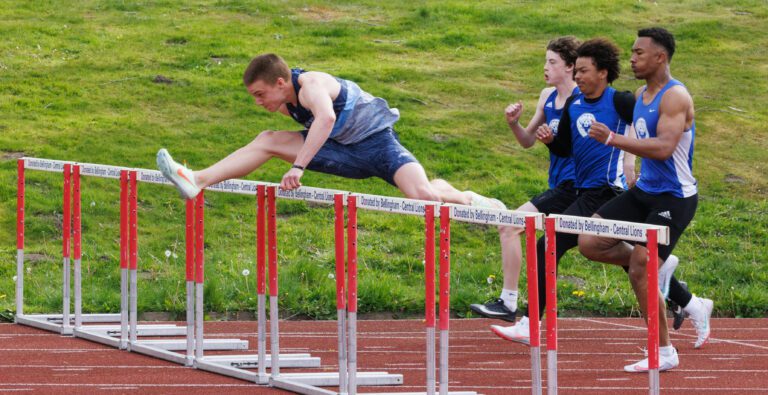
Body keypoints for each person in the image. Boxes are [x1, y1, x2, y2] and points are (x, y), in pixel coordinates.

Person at [156, 53, 503, 210]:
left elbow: (325, 120)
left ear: (281, 82)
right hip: (340, 150)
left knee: (426, 198)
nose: (258, 102)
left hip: (377, 146)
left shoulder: (310, 86)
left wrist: (298, 166)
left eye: (261, 95)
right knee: (267, 139)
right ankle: (197, 180)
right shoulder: (287, 96)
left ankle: (467, 198)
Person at [489, 38, 638, 367]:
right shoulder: (576, 105)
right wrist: (550, 141)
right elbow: (565, 149)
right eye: (578, 70)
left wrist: (628, 157)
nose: (580, 77)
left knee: (548, 245)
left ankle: (530, 323)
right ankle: (671, 283)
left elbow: (644, 126)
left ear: (602, 72)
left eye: (584, 71)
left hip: (606, 190)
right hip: (585, 192)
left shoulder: (622, 100)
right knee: (604, 250)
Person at [578, 27, 713, 372]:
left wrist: (612, 140)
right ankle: (662, 268)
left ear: (660, 57)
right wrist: (631, 167)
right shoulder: (641, 94)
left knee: (639, 266)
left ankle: (664, 350)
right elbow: (641, 137)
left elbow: (665, 147)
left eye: (639, 53)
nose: (633, 58)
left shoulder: (675, 97)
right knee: (590, 240)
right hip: (645, 191)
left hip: (675, 197)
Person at [470, 36, 585, 322]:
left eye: (552, 62)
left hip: (577, 185)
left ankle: (509, 302)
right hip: (559, 184)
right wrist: (514, 124)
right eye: (545, 60)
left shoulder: (583, 99)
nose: (545, 67)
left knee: (510, 224)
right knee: (606, 247)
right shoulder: (547, 96)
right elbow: (527, 141)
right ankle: (677, 293)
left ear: (570, 66)